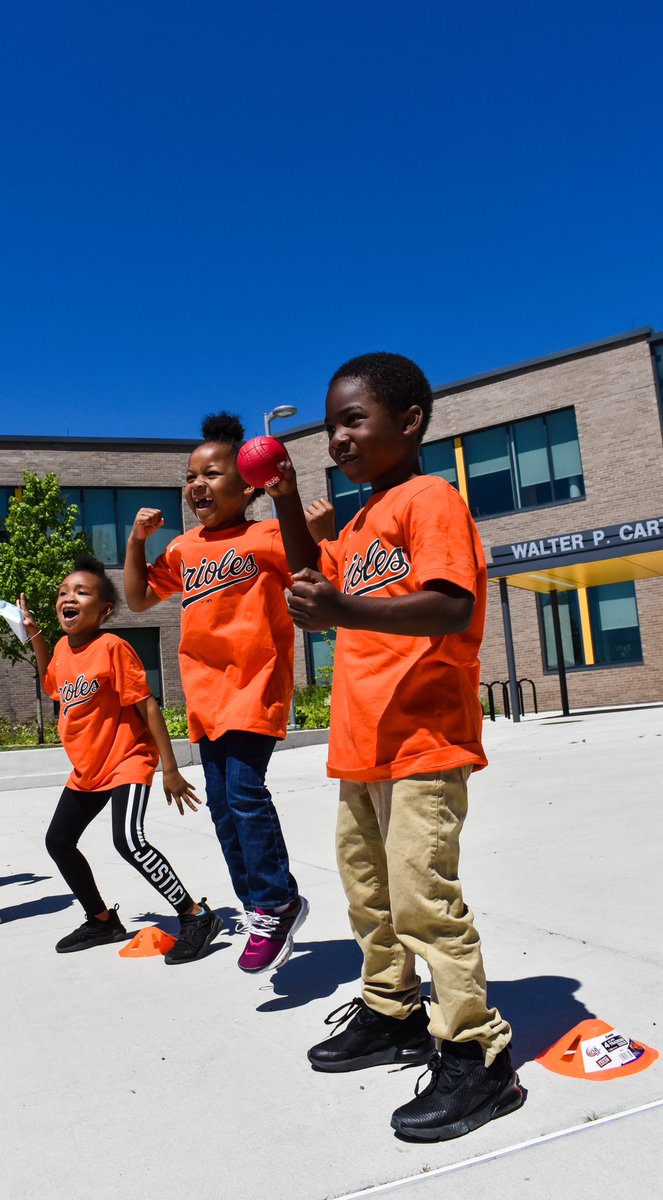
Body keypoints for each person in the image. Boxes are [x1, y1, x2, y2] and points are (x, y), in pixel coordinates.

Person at [268, 352, 525, 1142]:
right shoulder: (358, 521)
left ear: (408, 422)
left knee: (422, 900)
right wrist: (282, 500)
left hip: (422, 741)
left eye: (354, 419)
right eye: (330, 424)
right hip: (361, 744)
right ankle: (390, 1011)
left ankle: (476, 1054)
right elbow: (315, 573)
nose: (337, 436)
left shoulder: (430, 500)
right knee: (369, 897)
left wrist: (344, 606)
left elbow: (448, 606)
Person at [123, 412, 308, 974]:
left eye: (211, 473)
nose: (196, 484)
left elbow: (309, 567)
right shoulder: (183, 548)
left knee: (247, 795)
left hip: (254, 687)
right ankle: (258, 906)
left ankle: (278, 900)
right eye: (190, 476)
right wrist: (135, 540)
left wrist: (292, 504)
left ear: (247, 483)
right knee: (225, 810)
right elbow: (136, 600)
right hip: (206, 698)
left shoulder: (266, 534)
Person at [20, 554, 222, 964]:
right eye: (63, 592)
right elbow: (51, 683)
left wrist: (169, 767)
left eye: (81, 592)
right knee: (58, 841)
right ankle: (101, 920)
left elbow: (147, 705)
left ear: (105, 609)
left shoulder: (113, 647)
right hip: (88, 769)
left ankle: (196, 916)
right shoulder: (62, 647)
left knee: (128, 840)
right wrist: (34, 633)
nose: (68, 597)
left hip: (126, 759)